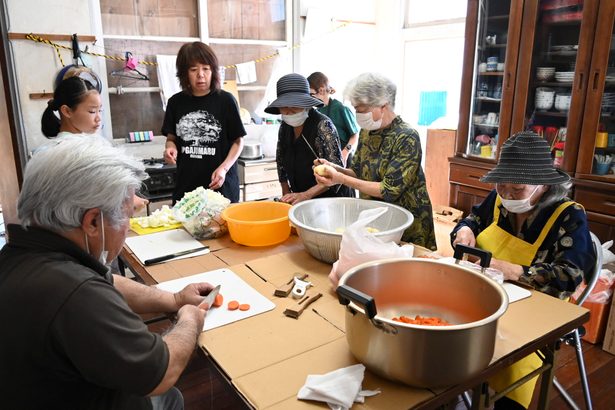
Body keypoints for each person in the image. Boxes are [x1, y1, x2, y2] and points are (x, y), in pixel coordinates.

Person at [0, 135, 216, 410]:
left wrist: (174, 301)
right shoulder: (75, 293)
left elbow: (109, 282)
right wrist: (189, 321)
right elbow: (161, 373)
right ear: (92, 221)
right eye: (126, 215)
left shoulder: (24, 257)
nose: (127, 226)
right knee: (168, 393)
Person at [451, 131, 596, 409]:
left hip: (537, 307)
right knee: (451, 332)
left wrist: (512, 270)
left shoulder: (568, 215)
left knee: (503, 351)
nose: (506, 194)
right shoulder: (500, 198)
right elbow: (471, 220)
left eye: (516, 190)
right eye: (501, 186)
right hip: (486, 291)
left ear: (544, 184)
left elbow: (570, 275)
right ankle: (456, 395)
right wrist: (465, 231)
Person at [314, 72, 436, 250]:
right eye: (355, 108)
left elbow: (387, 190)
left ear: (383, 106)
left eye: (361, 109)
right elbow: (358, 172)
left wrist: (339, 179)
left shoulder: (407, 137)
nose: (357, 114)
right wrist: (334, 168)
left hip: (407, 225)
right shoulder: (367, 132)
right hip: (377, 220)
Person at [41, 75, 149, 214]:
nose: (98, 118)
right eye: (92, 111)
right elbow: (95, 190)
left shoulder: (91, 142)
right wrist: (128, 200)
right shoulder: (69, 150)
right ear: (67, 111)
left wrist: (130, 197)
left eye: (100, 110)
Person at [163, 41, 245, 203]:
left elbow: (238, 141)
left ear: (213, 71)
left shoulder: (226, 101)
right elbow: (171, 138)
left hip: (220, 186)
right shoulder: (175, 103)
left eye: (206, 68)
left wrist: (224, 168)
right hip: (187, 188)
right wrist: (170, 148)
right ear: (184, 73)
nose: (200, 74)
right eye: (193, 69)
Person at [265, 73, 353, 205]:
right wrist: (286, 192)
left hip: (330, 201)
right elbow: (281, 161)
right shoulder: (285, 126)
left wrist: (306, 195)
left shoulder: (323, 125)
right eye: (284, 106)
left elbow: (336, 174)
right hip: (300, 198)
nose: (289, 112)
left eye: (294, 106)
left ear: (306, 104)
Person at [307, 72, 359, 167]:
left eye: (311, 94)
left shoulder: (340, 108)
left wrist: (345, 152)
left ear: (321, 90)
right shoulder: (318, 111)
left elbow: (355, 135)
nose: (309, 97)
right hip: (327, 160)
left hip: (344, 158)